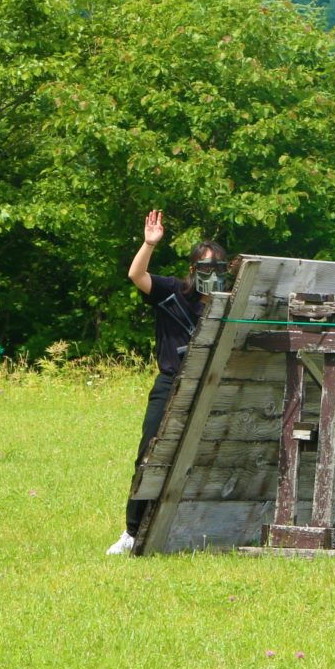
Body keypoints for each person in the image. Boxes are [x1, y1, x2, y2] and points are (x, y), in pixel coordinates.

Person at [108, 210, 229, 555]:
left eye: (218, 270)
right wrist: (149, 244)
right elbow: (136, 274)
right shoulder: (173, 292)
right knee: (150, 454)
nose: (212, 277)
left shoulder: (227, 306)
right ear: (193, 270)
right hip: (170, 385)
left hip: (209, 388)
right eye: (205, 269)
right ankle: (132, 532)